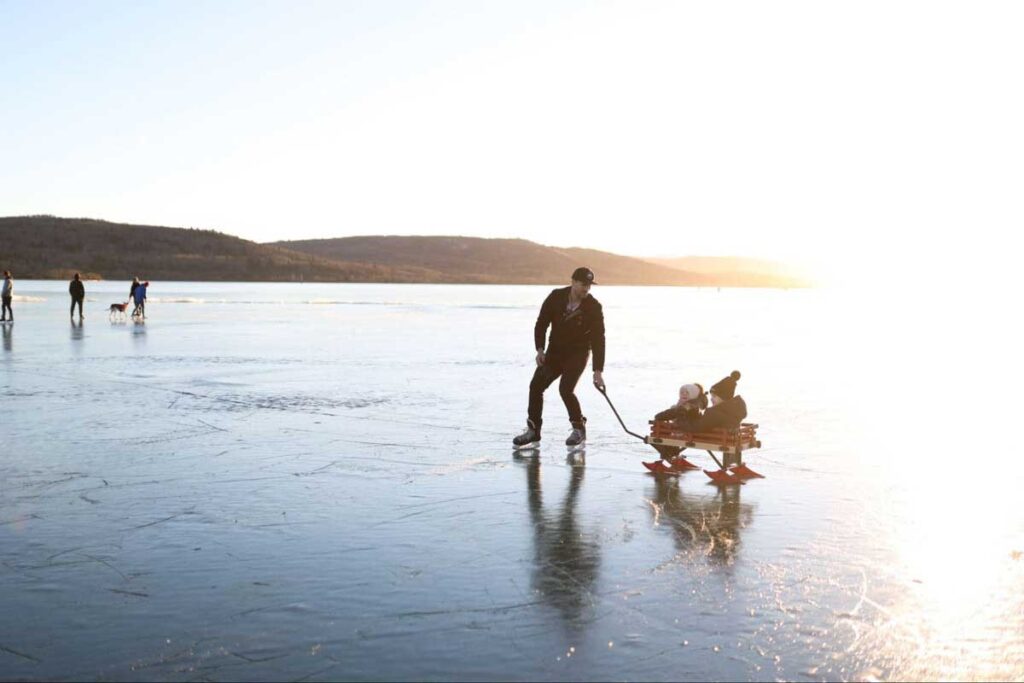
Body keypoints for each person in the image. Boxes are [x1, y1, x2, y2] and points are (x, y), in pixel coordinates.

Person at [513, 267, 606, 450]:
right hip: (555, 352)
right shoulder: (556, 297)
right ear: (573, 281)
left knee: (566, 389)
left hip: (578, 354)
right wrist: (540, 349)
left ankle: (578, 428)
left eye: (589, 286)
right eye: (582, 285)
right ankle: (533, 431)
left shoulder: (594, 307)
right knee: (536, 386)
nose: (586, 289)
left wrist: (597, 371)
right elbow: (541, 323)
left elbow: (598, 339)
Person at [671, 371, 747, 434]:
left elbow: (694, 428)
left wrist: (680, 417)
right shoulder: (734, 409)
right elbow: (706, 423)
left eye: (714, 396)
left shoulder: (713, 413)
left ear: (723, 397)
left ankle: (669, 452)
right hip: (726, 437)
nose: (711, 399)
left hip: (714, 439)